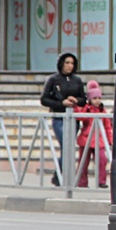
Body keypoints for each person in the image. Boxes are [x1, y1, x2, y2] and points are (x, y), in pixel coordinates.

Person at [40, 52, 86, 186]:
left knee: (69, 147)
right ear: (61, 63)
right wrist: (61, 104)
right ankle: (59, 176)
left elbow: (84, 99)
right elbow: (44, 99)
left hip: (73, 119)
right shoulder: (54, 79)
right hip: (59, 117)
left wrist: (75, 100)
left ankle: (59, 176)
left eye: (72, 63)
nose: (69, 66)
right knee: (65, 146)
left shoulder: (77, 80)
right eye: (67, 63)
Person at [76, 80, 113, 189]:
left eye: (99, 98)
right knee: (83, 163)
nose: (97, 101)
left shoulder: (103, 111)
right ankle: (82, 182)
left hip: (99, 140)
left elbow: (108, 127)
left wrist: (110, 140)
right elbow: (80, 117)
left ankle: (101, 181)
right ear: (89, 99)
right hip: (86, 140)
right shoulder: (86, 109)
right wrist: (78, 108)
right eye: (94, 98)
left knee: (102, 160)